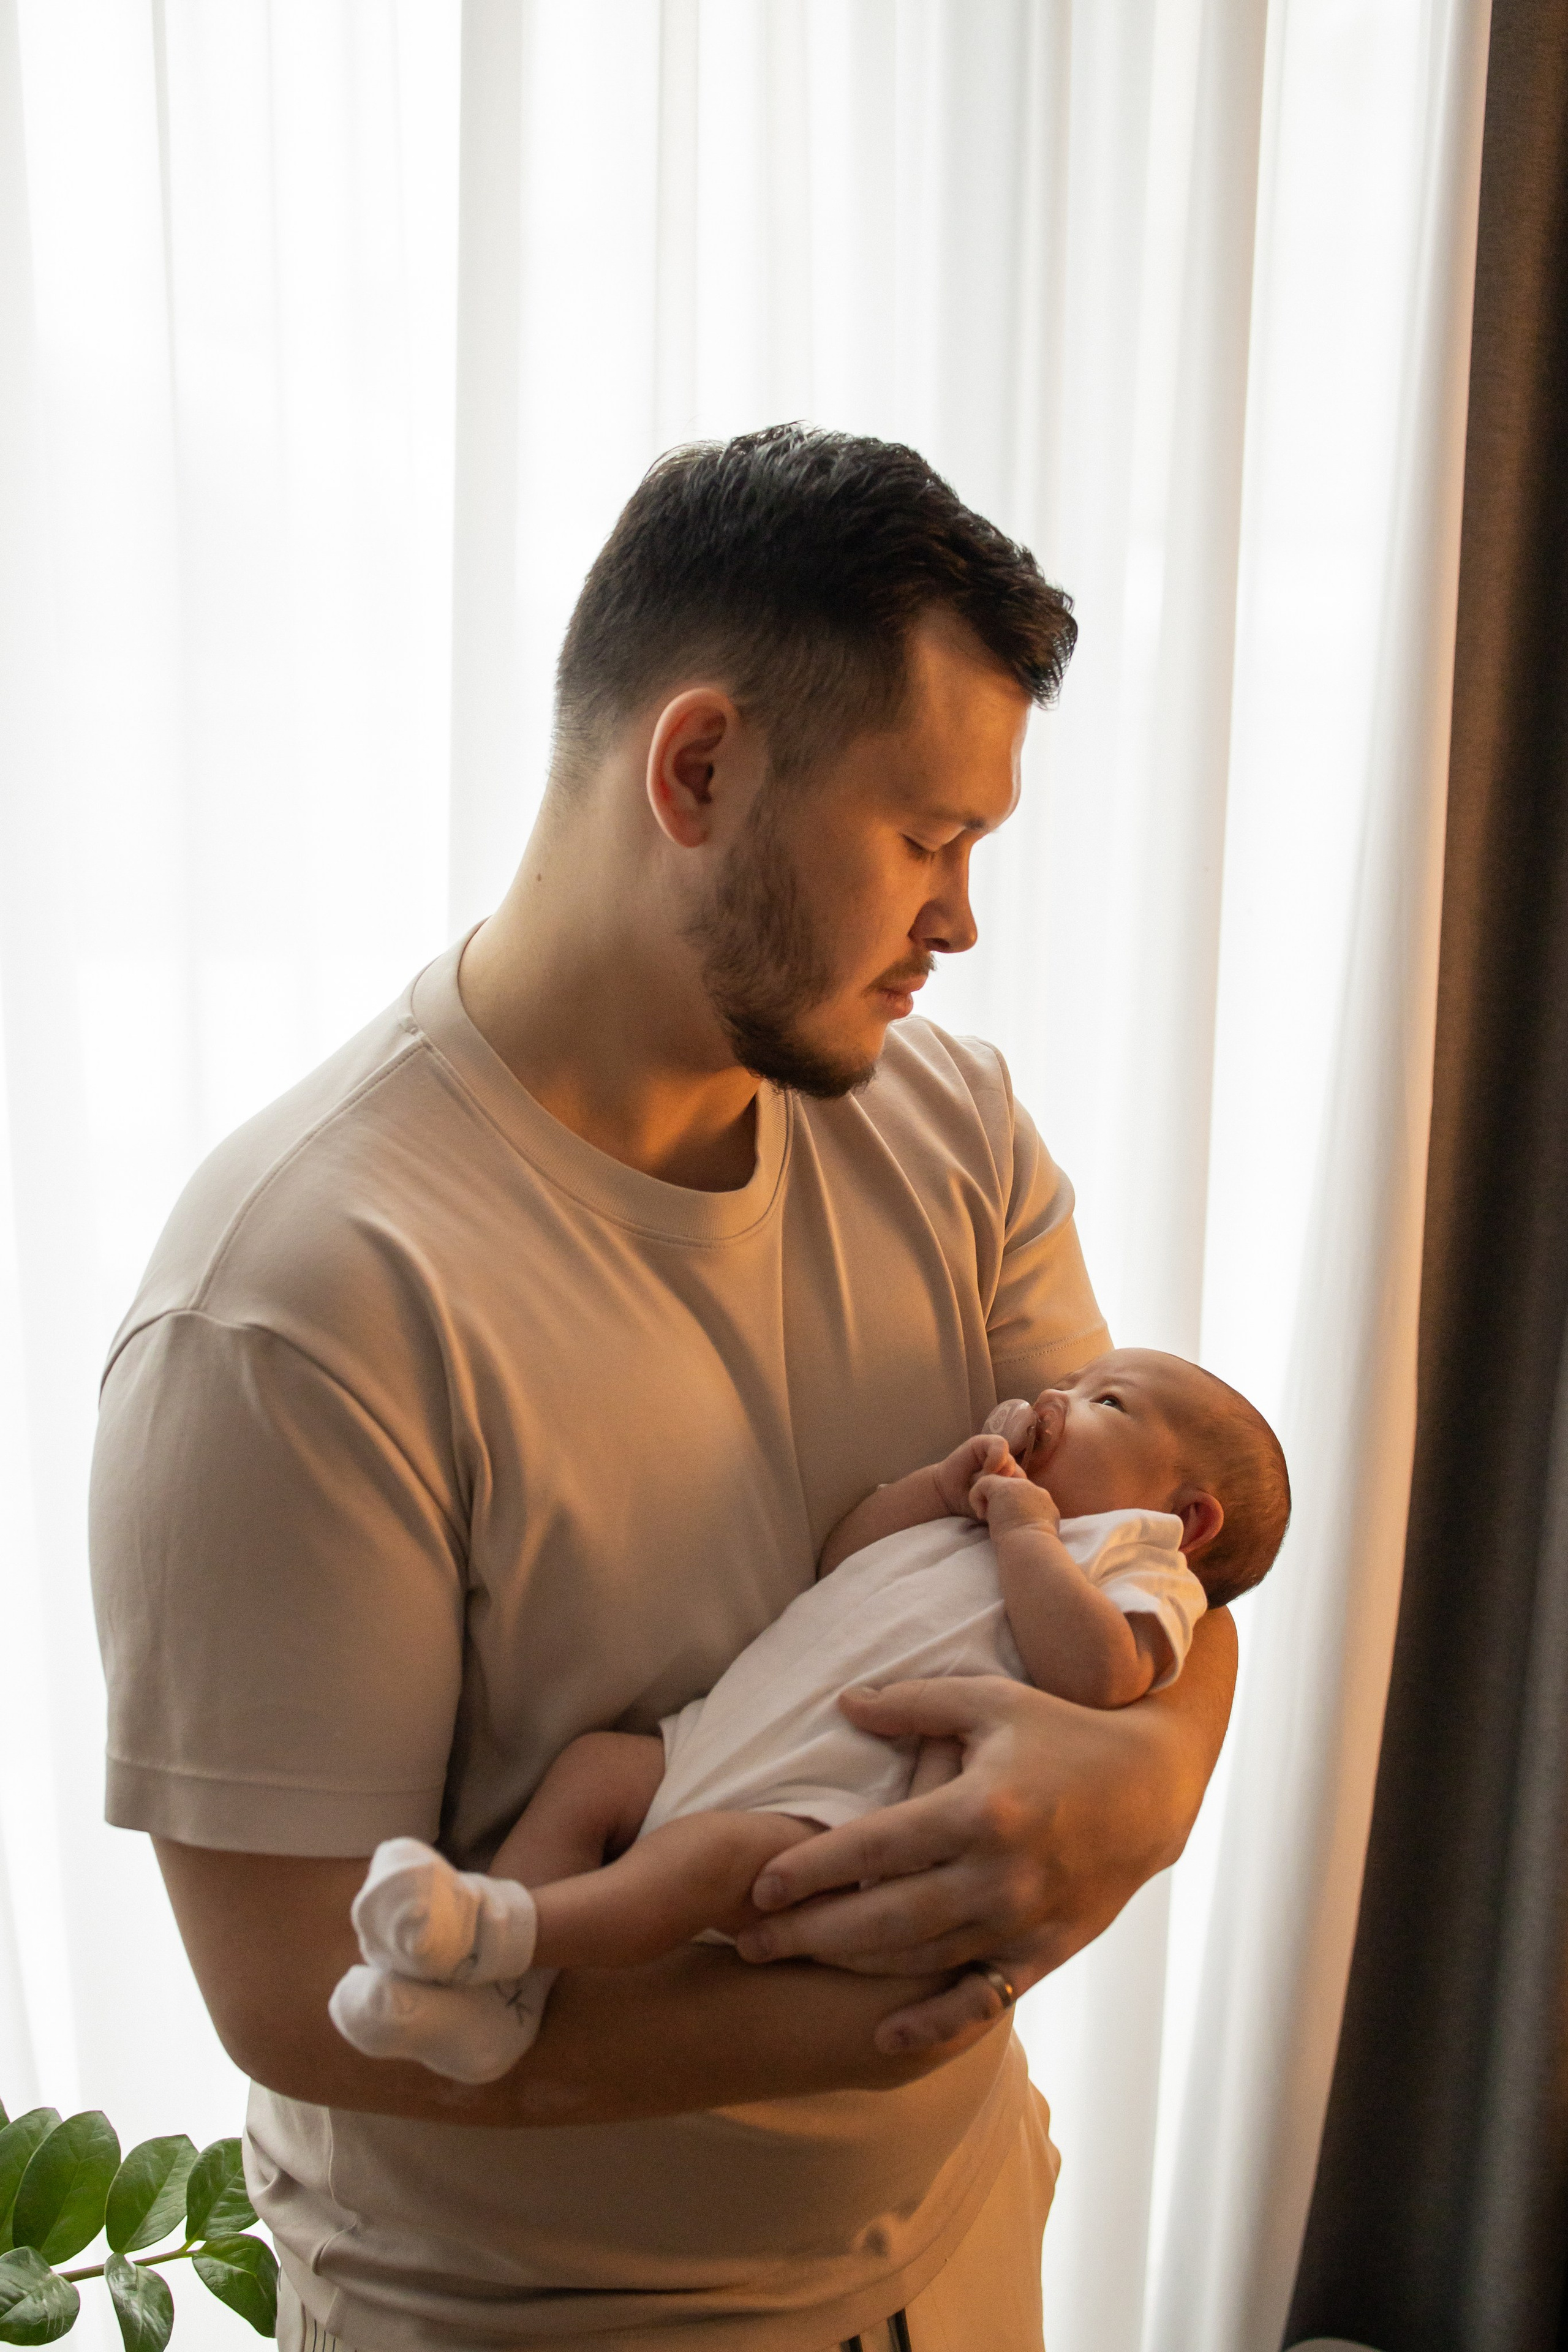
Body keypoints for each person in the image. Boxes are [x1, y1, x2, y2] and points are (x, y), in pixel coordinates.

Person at [89, 426, 1240, 2352]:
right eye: (927, 840)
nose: (960, 921)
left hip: (960, 2260)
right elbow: (301, 1999)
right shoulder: (290, 1310)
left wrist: (1152, 1785)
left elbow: (1165, 1511)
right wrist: (953, 1958)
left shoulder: (950, 1124)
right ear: (698, 769)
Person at [326, 1348, 1288, 2087]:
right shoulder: (992, 1511)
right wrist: (944, 1490)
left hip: (834, 1805)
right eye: (1075, 1381)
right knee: (593, 1769)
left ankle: (507, 1931)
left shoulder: (1134, 1559)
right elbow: (847, 1559)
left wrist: (1028, 1532)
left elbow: (1102, 1674)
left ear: (1189, 1518)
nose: (1057, 1400)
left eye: (1104, 1401)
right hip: (727, 1735)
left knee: (702, 1861)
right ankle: (495, 2003)